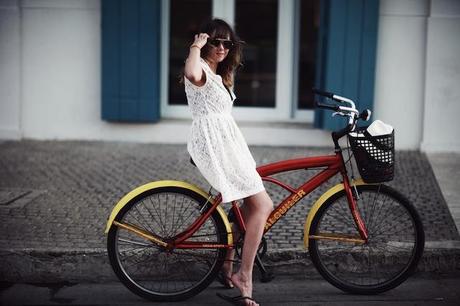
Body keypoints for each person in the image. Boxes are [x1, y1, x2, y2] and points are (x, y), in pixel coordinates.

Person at [183, 18, 273, 306]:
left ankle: (226, 264)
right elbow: (190, 70)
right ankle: (244, 276)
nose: (221, 47)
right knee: (262, 205)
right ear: (206, 42)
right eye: (215, 42)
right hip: (215, 145)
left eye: (226, 43)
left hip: (228, 143)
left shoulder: (220, 74)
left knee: (248, 206)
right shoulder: (201, 72)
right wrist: (196, 46)